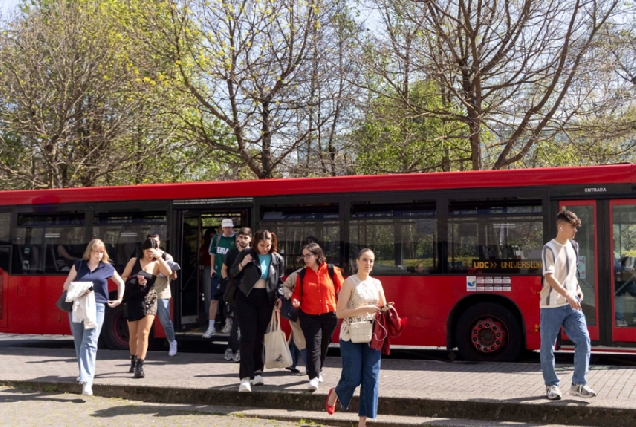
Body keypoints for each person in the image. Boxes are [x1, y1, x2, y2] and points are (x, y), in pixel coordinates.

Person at [326, 248, 386, 427]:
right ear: (357, 261)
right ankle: (335, 392)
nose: (368, 264)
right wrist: (364, 309)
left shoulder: (377, 283)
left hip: (372, 336)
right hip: (351, 335)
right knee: (353, 378)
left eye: (371, 261)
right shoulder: (349, 283)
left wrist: (386, 309)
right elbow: (339, 312)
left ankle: (362, 422)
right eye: (365, 260)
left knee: (371, 378)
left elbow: (382, 305)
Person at [540, 210, 596, 400]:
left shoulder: (573, 246)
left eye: (576, 227)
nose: (575, 231)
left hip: (572, 303)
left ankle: (579, 384)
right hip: (551, 305)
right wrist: (568, 295)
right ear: (561, 227)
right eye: (572, 227)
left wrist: (577, 289)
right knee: (547, 346)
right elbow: (550, 277)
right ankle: (552, 385)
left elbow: (571, 275)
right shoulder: (549, 248)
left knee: (583, 340)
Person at [62, 239, 125, 396]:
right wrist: (80, 289)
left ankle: (87, 381)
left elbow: (120, 282)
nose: (98, 254)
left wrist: (119, 298)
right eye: (96, 252)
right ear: (89, 252)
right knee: (79, 340)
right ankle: (83, 373)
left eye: (101, 252)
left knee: (90, 341)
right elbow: (65, 285)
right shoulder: (79, 265)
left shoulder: (107, 267)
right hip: (78, 305)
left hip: (97, 306)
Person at [231, 230, 284, 392]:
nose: (265, 248)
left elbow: (280, 281)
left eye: (268, 245)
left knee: (259, 336)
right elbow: (233, 272)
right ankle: (245, 378)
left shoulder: (277, 258)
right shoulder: (247, 253)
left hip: (266, 299)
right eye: (262, 245)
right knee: (248, 336)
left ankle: (258, 372)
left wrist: (280, 296)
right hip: (246, 298)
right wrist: (243, 263)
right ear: (255, 243)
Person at [291, 243, 344, 391]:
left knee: (323, 344)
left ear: (317, 256)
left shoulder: (332, 270)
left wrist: (344, 303)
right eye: (304, 255)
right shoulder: (302, 274)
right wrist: (295, 300)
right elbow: (297, 293)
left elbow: (342, 289)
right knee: (313, 345)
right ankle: (313, 377)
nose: (305, 258)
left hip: (329, 314)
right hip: (309, 315)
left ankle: (318, 369)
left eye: (308, 255)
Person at [122, 237, 172, 378]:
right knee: (133, 335)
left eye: (154, 251)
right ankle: (133, 358)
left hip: (149, 299)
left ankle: (140, 364)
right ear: (143, 250)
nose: (151, 254)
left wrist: (159, 257)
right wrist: (134, 280)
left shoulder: (156, 264)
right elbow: (123, 277)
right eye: (149, 251)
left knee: (144, 333)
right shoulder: (134, 261)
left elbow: (168, 272)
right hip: (133, 299)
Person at [221, 227, 252, 362]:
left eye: (246, 237)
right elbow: (224, 269)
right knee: (236, 322)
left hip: (250, 292)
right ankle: (235, 349)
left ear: (250, 239)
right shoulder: (232, 253)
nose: (243, 240)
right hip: (235, 292)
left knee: (245, 322)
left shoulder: (253, 253)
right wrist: (227, 282)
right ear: (237, 238)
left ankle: (234, 349)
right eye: (241, 237)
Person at [204, 219, 237, 338]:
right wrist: (212, 268)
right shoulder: (216, 239)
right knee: (214, 300)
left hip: (231, 275)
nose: (229, 229)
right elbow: (213, 253)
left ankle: (229, 325)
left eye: (230, 227)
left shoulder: (236, 239)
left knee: (230, 301)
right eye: (226, 227)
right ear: (222, 228)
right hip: (218, 274)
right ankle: (211, 327)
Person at [147, 234, 179, 356]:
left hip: (162, 292)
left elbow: (174, 276)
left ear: (159, 242)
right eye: (152, 241)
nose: (154, 243)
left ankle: (172, 341)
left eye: (156, 241)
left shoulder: (166, 256)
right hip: (147, 292)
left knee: (165, 321)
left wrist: (167, 272)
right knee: (143, 320)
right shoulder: (145, 256)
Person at [282, 268, 307, 375]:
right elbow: (285, 286)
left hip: (312, 311)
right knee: (302, 338)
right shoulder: (298, 273)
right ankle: (311, 369)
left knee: (296, 336)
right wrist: (293, 297)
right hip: (297, 312)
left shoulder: (323, 273)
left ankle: (292, 362)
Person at [615, 255, 636, 327]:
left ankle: (619, 319)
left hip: (622, 280)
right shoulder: (611, 256)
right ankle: (620, 319)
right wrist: (627, 270)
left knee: (619, 295)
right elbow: (616, 266)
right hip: (623, 279)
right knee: (619, 295)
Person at [200, 228, 214, 321]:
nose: (213, 238)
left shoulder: (217, 246)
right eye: (211, 236)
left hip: (217, 269)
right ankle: (209, 314)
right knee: (208, 292)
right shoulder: (204, 248)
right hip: (208, 268)